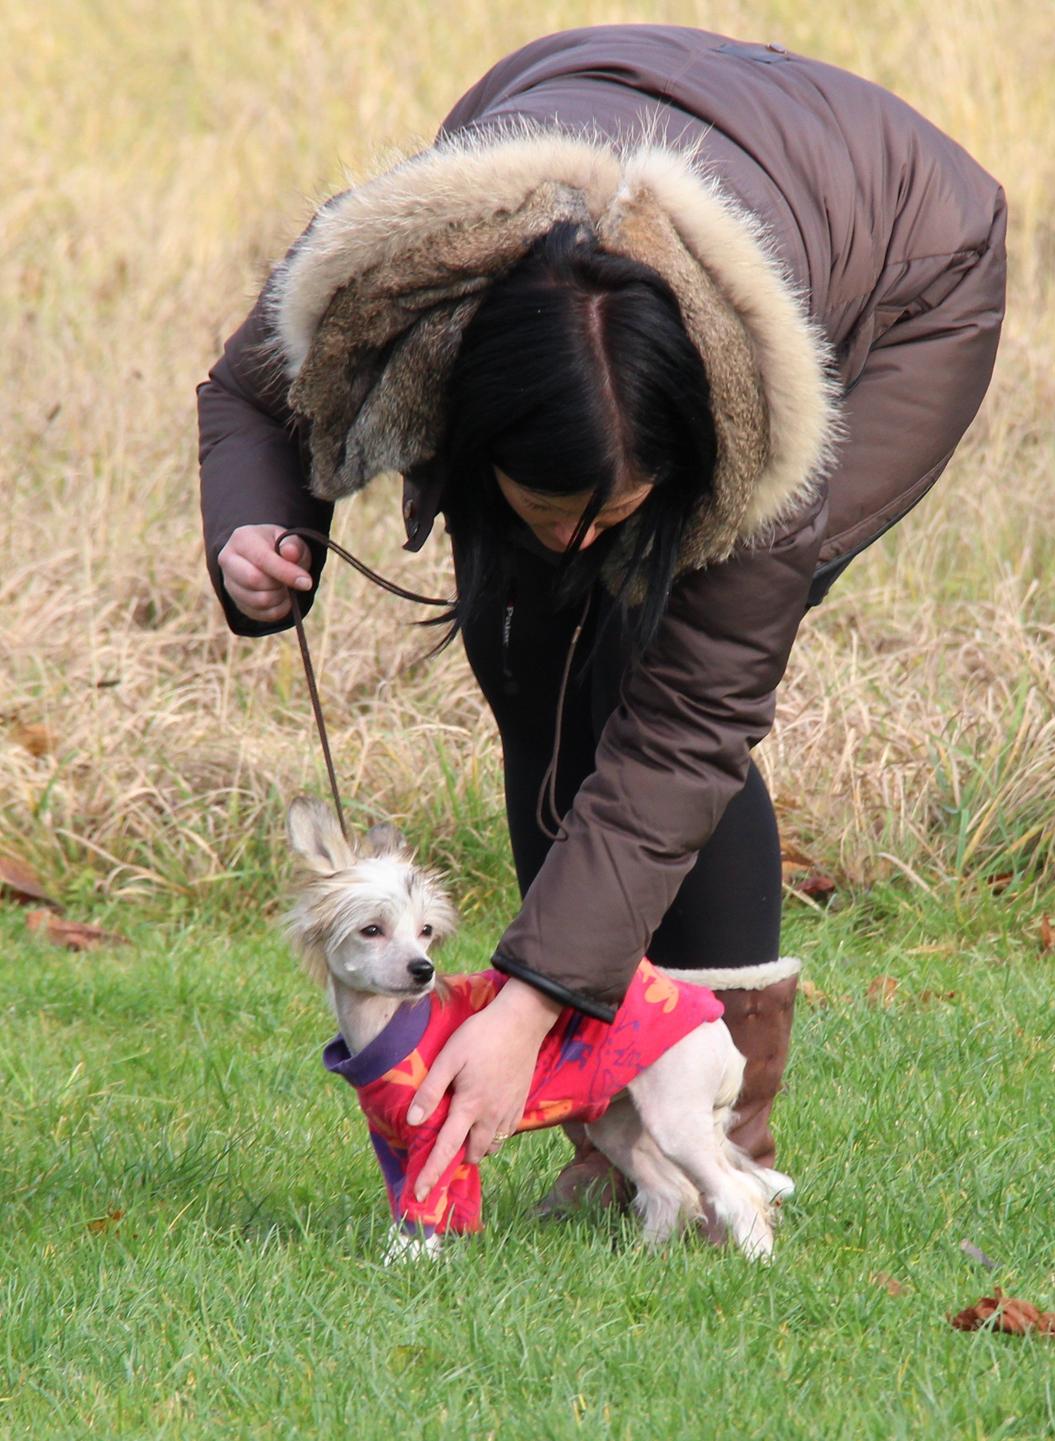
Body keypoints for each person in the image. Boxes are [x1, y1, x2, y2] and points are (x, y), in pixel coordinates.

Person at [198, 24, 1007, 1212]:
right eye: (547, 505)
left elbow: (692, 727)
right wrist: (262, 529)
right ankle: (609, 1116)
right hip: (635, 117)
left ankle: (722, 1138)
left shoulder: (758, 426)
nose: (582, 540)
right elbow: (251, 398)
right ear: (467, 427)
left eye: (617, 509)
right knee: (529, 651)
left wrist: (522, 1004)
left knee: (652, 671)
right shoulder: (394, 278)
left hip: (902, 269)